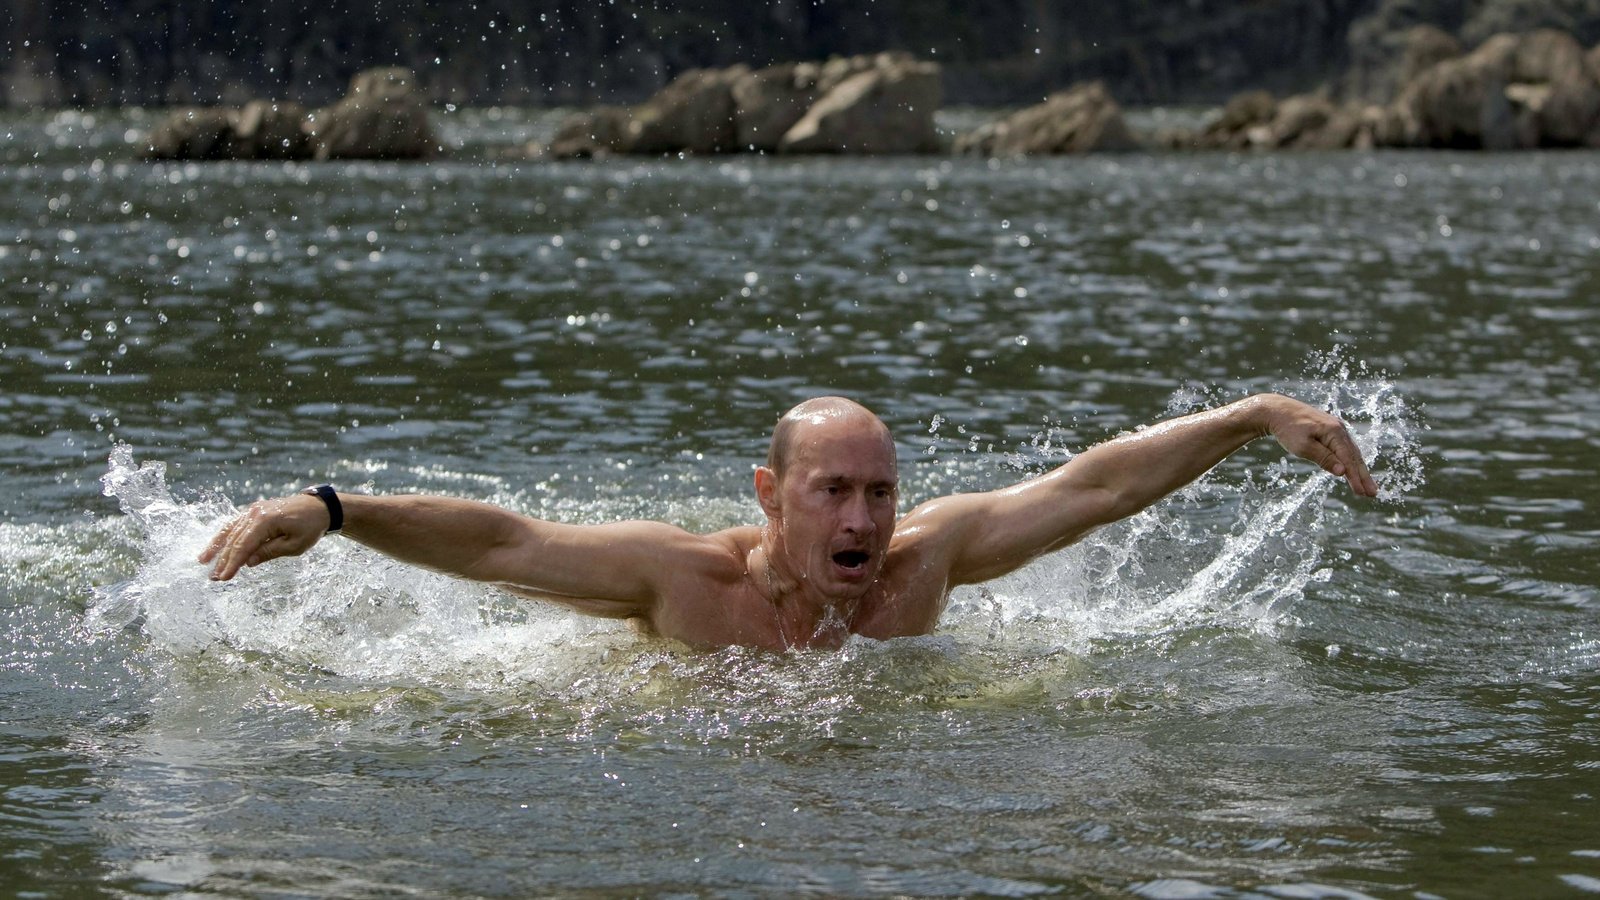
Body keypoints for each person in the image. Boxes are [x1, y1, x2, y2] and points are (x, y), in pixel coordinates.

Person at [201, 393, 1377, 650]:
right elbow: (506, 543)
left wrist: (1256, 416)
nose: (864, 517)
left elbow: (1092, 489)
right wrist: (336, 508)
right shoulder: (679, 582)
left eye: (879, 491)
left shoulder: (926, 567)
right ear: (770, 497)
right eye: (834, 491)